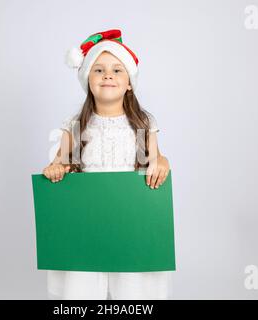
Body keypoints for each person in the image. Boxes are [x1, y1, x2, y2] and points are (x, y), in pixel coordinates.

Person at [42, 29, 172, 300]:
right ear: (87, 80)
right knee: (85, 288)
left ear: (129, 83)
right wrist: (56, 169)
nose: (108, 75)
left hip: (131, 222)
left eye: (117, 70)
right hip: (87, 223)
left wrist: (162, 161)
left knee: (132, 291)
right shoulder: (76, 126)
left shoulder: (143, 125)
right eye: (98, 70)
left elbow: (156, 160)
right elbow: (59, 164)